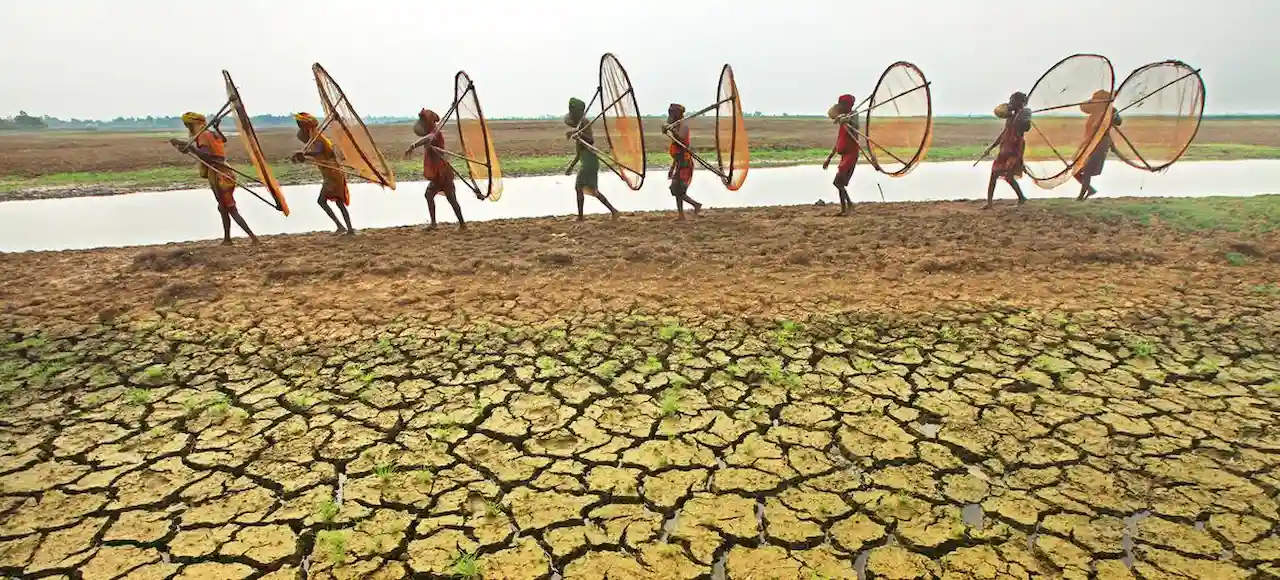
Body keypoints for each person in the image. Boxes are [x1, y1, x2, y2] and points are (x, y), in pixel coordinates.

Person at [169, 111, 260, 245]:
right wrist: (187, 147)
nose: (188, 128)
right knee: (223, 207)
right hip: (222, 171)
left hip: (219, 174)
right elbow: (223, 140)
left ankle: (254, 238)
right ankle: (227, 239)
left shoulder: (204, 135)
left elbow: (207, 156)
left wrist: (191, 149)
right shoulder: (210, 133)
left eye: (188, 125)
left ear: (193, 124)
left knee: (230, 208)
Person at [404, 109, 468, 230]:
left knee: (450, 198)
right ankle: (436, 224)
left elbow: (429, 138)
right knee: (430, 195)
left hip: (442, 172)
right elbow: (427, 138)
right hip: (438, 172)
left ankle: (461, 224)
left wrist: (413, 146)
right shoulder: (433, 131)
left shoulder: (435, 132)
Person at [291, 113, 354, 234]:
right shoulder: (312, 137)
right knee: (336, 202)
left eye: (300, 124)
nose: (299, 127)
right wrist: (303, 156)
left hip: (333, 173)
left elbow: (318, 151)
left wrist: (305, 155)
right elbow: (315, 153)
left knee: (325, 201)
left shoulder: (316, 137)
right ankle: (345, 227)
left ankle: (344, 227)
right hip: (329, 173)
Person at [563, 97, 621, 221]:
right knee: (594, 191)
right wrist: (570, 167)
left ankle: (580, 217)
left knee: (579, 187)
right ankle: (614, 211)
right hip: (589, 162)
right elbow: (579, 154)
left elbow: (590, 140)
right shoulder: (579, 126)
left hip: (590, 162)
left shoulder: (584, 123)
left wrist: (579, 134)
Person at [984, 92, 1032, 209]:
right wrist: (991, 147)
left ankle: (1021, 198)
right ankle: (990, 203)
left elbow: (1026, 128)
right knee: (995, 173)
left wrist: (1022, 117)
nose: (1010, 103)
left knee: (1008, 174)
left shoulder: (1025, 114)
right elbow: (1004, 133)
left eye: (1013, 101)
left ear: (1019, 102)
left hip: (1015, 149)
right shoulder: (1011, 116)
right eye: (1010, 101)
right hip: (1005, 147)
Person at [1075, 90, 1122, 201]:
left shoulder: (1110, 112)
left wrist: (1113, 115)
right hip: (1088, 144)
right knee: (1075, 171)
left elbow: (1119, 121)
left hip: (1100, 145)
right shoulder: (1094, 114)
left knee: (1087, 170)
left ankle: (1081, 196)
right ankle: (1089, 189)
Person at [822, 94, 860, 216]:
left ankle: (849, 205)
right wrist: (829, 158)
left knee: (838, 182)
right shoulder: (842, 119)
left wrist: (846, 119)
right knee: (840, 183)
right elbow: (839, 141)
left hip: (851, 155)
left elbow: (854, 125)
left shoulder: (854, 116)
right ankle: (844, 209)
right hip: (845, 156)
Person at [665, 103, 702, 219]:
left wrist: (671, 130)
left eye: (672, 114)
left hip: (684, 162)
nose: (670, 116)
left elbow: (682, 141)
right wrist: (672, 168)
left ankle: (696, 205)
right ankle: (681, 214)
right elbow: (677, 151)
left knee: (679, 189)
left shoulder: (683, 126)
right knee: (676, 188)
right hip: (679, 161)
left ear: (677, 114)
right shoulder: (676, 126)